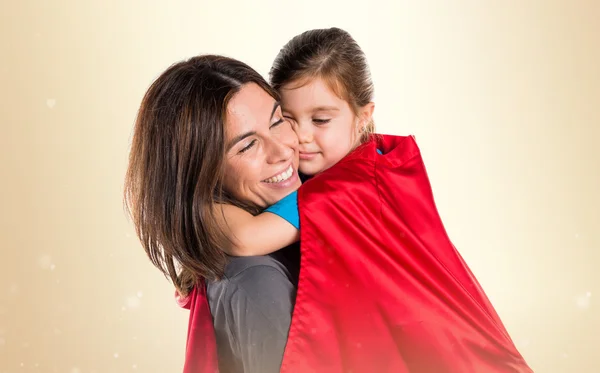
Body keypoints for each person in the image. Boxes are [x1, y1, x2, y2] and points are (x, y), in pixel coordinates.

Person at [213, 27, 533, 372]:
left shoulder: (344, 188)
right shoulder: (369, 160)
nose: (302, 137)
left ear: (363, 116)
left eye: (321, 119)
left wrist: (193, 202)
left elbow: (243, 237)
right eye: (287, 120)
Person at [123, 55, 302, 372]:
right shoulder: (258, 282)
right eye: (247, 146)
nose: (282, 151)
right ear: (204, 176)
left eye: (278, 121)